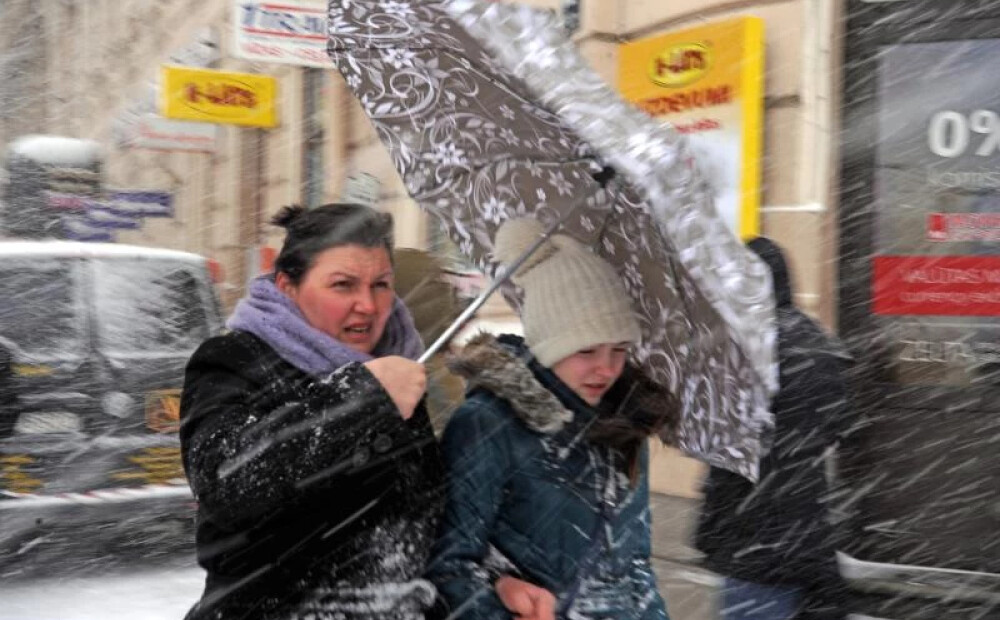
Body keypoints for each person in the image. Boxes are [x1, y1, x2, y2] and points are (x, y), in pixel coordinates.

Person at [180, 204, 539, 620]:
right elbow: (227, 480)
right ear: (286, 286)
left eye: (381, 285)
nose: (368, 305)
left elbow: (419, 514)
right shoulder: (234, 360)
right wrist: (364, 398)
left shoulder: (399, 363)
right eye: (343, 285)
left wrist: (494, 576)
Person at [426, 218, 675, 620]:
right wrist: (498, 597)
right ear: (549, 341)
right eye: (587, 351)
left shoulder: (625, 426)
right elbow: (449, 568)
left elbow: (635, 567)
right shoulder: (487, 423)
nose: (606, 370)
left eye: (619, 351)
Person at [694, 237, 854, 620]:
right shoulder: (816, 341)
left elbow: (720, 445)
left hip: (752, 542)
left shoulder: (746, 351)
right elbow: (838, 425)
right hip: (806, 534)